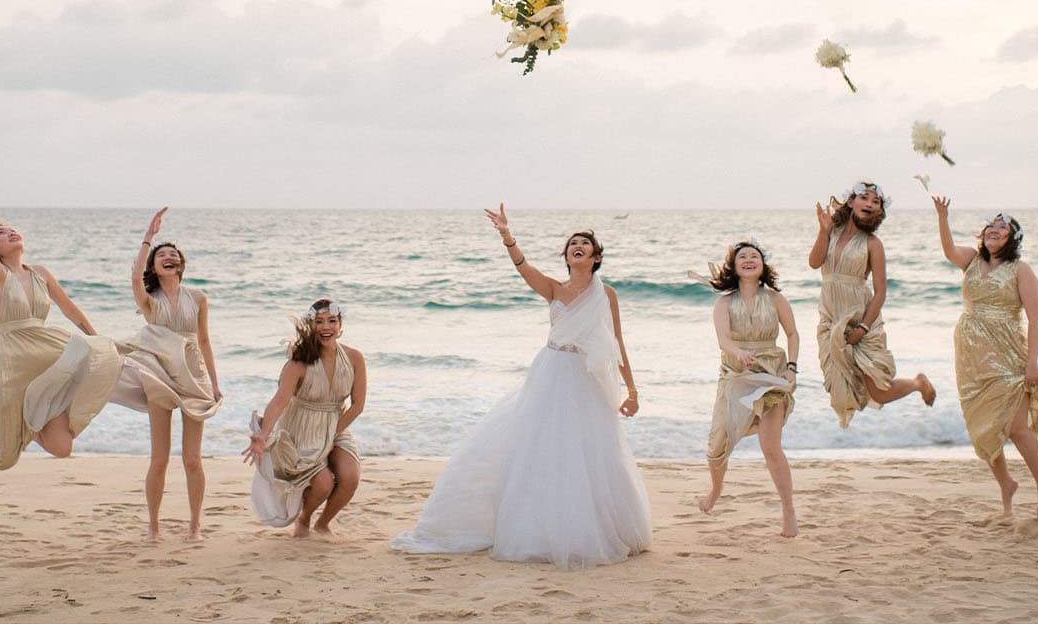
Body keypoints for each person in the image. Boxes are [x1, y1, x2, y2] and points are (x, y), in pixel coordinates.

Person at [391, 206, 652, 569]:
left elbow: (618, 342)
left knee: (591, 452)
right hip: (551, 372)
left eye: (584, 244)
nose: (577, 246)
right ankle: (540, 529)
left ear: (595, 257)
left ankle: (594, 529)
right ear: (567, 256)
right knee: (543, 450)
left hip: (586, 379)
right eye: (572, 244)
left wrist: (633, 391)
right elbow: (522, 267)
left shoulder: (606, 294)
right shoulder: (553, 288)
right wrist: (506, 235)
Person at [0, 146, 122, 468]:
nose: (9, 232)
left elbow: (71, 311)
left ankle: (37, 415)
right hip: (12, 365)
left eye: (12, 229)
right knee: (3, 460)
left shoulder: (41, 273)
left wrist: (98, 341)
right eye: (3, 233)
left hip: (44, 356)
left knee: (62, 448)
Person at [933, 198, 1038, 531]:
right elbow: (947, 250)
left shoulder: (1021, 271)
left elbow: (1034, 319)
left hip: (1007, 355)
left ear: (1013, 239)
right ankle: (1006, 484)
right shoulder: (971, 261)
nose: (994, 230)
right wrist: (942, 216)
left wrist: (1032, 363)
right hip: (970, 357)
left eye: (1002, 227)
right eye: (991, 225)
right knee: (981, 427)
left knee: (1016, 428)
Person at [109, 207, 224, 542]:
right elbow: (133, 278)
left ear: (181, 264)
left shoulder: (198, 298)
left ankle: (195, 526)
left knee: (192, 460)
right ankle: (154, 526)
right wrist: (149, 237)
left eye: (174, 253)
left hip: (194, 378)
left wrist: (215, 384)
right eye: (162, 255)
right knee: (159, 459)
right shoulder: (149, 300)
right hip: (157, 376)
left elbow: (204, 341)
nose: (169, 256)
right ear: (154, 267)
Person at [691, 238, 800, 536]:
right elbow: (723, 340)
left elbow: (792, 334)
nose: (749, 259)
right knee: (717, 448)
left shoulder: (776, 299)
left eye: (755, 256)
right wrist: (738, 353)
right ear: (734, 267)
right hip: (736, 374)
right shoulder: (724, 302)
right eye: (743, 257)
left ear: (762, 265)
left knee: (770, 446)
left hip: (772, 374)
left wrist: (791, 368)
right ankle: (715, 490)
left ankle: (789, 511)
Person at [809, 181, 936, 427]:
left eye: (875, 201)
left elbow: (880, 292)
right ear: (850, 202)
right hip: (832, 320)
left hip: (861, 320)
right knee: (841, 389)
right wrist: (823, 230)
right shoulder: (831, 233)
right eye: (864, 198)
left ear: (879, 211)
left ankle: (917, 383)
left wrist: (863, 328)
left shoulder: (873, 244)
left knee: (878, 391)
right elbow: (814, 263)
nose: (869, 203)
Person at [243, 299, 366, 538]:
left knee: (350, 477)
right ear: (310, 325)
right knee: (323, 484)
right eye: (318, 322)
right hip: (301, 427)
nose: (325, 327)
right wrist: (262, 436)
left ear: (340, 325)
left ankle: (323, 523)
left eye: (332, 321)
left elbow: (358, 405)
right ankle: (304, 519)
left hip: (336, 424)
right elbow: (279, 401)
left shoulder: (354, 358)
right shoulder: (299, 362)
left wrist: (333, 434)